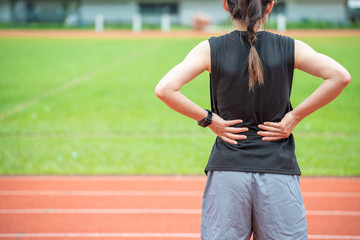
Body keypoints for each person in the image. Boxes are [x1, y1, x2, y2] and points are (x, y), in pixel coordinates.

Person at [155, 0, 351, 239]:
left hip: (228, 169)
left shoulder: (209, 49)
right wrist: (294, 117)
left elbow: (165, 89)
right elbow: (340, 76)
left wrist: (209, 119)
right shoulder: (290, 47)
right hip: (277, 170)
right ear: (269, 6)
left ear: (226, 5)